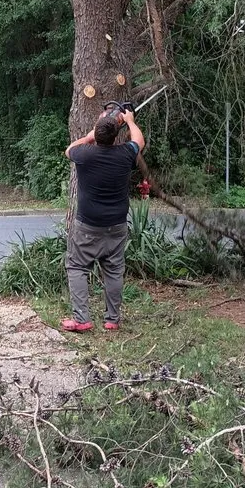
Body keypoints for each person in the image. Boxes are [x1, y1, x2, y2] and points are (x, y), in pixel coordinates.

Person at [61, 108, 146, 333]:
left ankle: (81, 319)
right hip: (117, 225)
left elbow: (69, 150)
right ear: (116, 136)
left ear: (96, 136)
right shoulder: (125, 154)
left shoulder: (85, 154)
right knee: (114, 270)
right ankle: (112, 320)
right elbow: (139, 140)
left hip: (87, 225)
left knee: (77, 266)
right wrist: (129, 121)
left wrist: (89, 135)